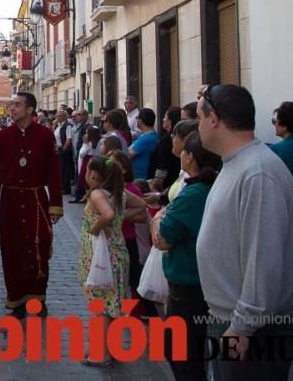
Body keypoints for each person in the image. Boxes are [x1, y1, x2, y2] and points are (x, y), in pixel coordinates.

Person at [195, 84, 293, 381]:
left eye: (199, 118)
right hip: (237, 322)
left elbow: (264, 256)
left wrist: (242, 326)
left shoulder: (257, 172)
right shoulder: (239, 164)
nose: (199, 127)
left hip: (253, 331)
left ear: (214, 118)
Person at [0, 91, 62, 318]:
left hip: (36, 199)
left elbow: (54, 172)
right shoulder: (4, 136)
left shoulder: (45, 136)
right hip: (10, 202)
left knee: (38, 248)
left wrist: (55, 204)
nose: (12, 109)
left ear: (30, 109)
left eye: (17, 105)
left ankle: (38, 298)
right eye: (11, 105)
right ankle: (16, 300)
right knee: (12, 250)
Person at [151, 130, 222, 381]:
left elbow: (162, 240)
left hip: (189, 285)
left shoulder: (193, 195)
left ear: (190, 157)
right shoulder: (209, 187)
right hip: (200, 282)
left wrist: (159, 217)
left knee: (182, 354)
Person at [76, 156, 139, 368]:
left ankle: (99, 354)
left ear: (93, 174)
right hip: (118, 254)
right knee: (112, 305)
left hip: (103, 258)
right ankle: (109, 349)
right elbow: (140, 204)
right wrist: (121, 219)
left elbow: (108, 214)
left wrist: (96, 227)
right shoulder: (117, 193)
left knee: (101, 306)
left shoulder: (97, 194)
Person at [109, 151, 150, 317]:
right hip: (111, 241)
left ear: (124, 169)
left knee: (133, 279)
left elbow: (142, 216)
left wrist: (119, 216)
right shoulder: (108, 189)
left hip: (127, 239)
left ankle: (139, 311)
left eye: (114, 163)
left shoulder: (132, 189)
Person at [150, 106, 182, 191]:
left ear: (170, 120)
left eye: (165, 117)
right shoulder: (172, 138)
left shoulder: (166, 140)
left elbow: (162, 164)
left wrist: (156, 183)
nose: (163, 119)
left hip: (167, 184)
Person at [127, 108, 159, 180]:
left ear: (141, 120)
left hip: (140, 178)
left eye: (137, 117)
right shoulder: (144, 136)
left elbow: (128, 154)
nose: (136, 119)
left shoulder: (148, 139)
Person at [72, 125, 100, 203]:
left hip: (87, 161)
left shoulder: (89, 143)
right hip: (93, 160)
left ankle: (87, 197)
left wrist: (85, 144)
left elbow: (81, 153)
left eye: (87, 133)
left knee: (85, 178)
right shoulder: (97, 142)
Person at [70, 109, 91, 202]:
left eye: (79, 114)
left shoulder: (87, 126)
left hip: (83, 153)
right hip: (78, 151)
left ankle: (79, 194)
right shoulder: (80, 126)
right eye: (77, 114)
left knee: (81, 173)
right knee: (78, 172)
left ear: (85, 116)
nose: (77, 116)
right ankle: (79, 193)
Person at [54, 110, 75, 196]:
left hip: (64, 150)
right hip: (58, 149)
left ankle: (66, 188)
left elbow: (69, 139)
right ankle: (61, 187)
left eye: (59, 116)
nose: (57, 118)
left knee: (65, 169)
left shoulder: (68, 126)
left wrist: (64, 149)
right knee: (61, 169)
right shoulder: (58, 126)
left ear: (64, 117)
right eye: (57, 116)